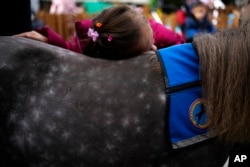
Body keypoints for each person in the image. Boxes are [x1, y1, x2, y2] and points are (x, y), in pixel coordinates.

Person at [15, 4, 184, 60]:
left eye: (151, 41)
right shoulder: (96, 43)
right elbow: (73, 52)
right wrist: (49, 42)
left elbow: (180, 44)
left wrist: (164, 55)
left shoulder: (154, 30)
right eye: (148, 48)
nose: (154, 47)